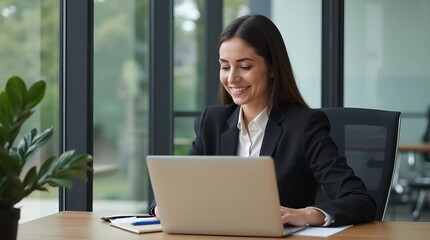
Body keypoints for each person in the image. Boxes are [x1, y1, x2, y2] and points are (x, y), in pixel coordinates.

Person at [149, 14, 376, 227]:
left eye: (245, 66)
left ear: (272, 68)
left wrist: (306, 214)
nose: (231, 78)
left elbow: (360, 200)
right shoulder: (212, 122)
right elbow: (174, 192)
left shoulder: (304, 126)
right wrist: (163, 207)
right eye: (225, 66)